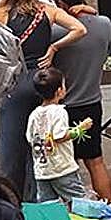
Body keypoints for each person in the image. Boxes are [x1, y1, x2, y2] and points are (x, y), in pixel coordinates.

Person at [0, 0, 86, 200]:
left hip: (15, 82)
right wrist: (54, 47)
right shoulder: (47, 10)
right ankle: (37, 199)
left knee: (11, 145)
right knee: (40, 142)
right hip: (42, 80)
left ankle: (11, 198)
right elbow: (79, 29)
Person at [48, 0, 111, 203]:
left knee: (66, 165)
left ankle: (73, 209)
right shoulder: (105, 24)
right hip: (92, 102)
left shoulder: (56, 32)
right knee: (95, 161)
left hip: (63, 107)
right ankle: (110, 208)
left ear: (60, 3)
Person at [27, 66, 92, 204]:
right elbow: (59, 136)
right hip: (62, 169)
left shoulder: (34, 114)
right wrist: (80, 129)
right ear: (59, 91)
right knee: (79, 203)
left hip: (42, 171)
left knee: (48, 206)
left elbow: (30, 138)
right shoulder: (59, 112)